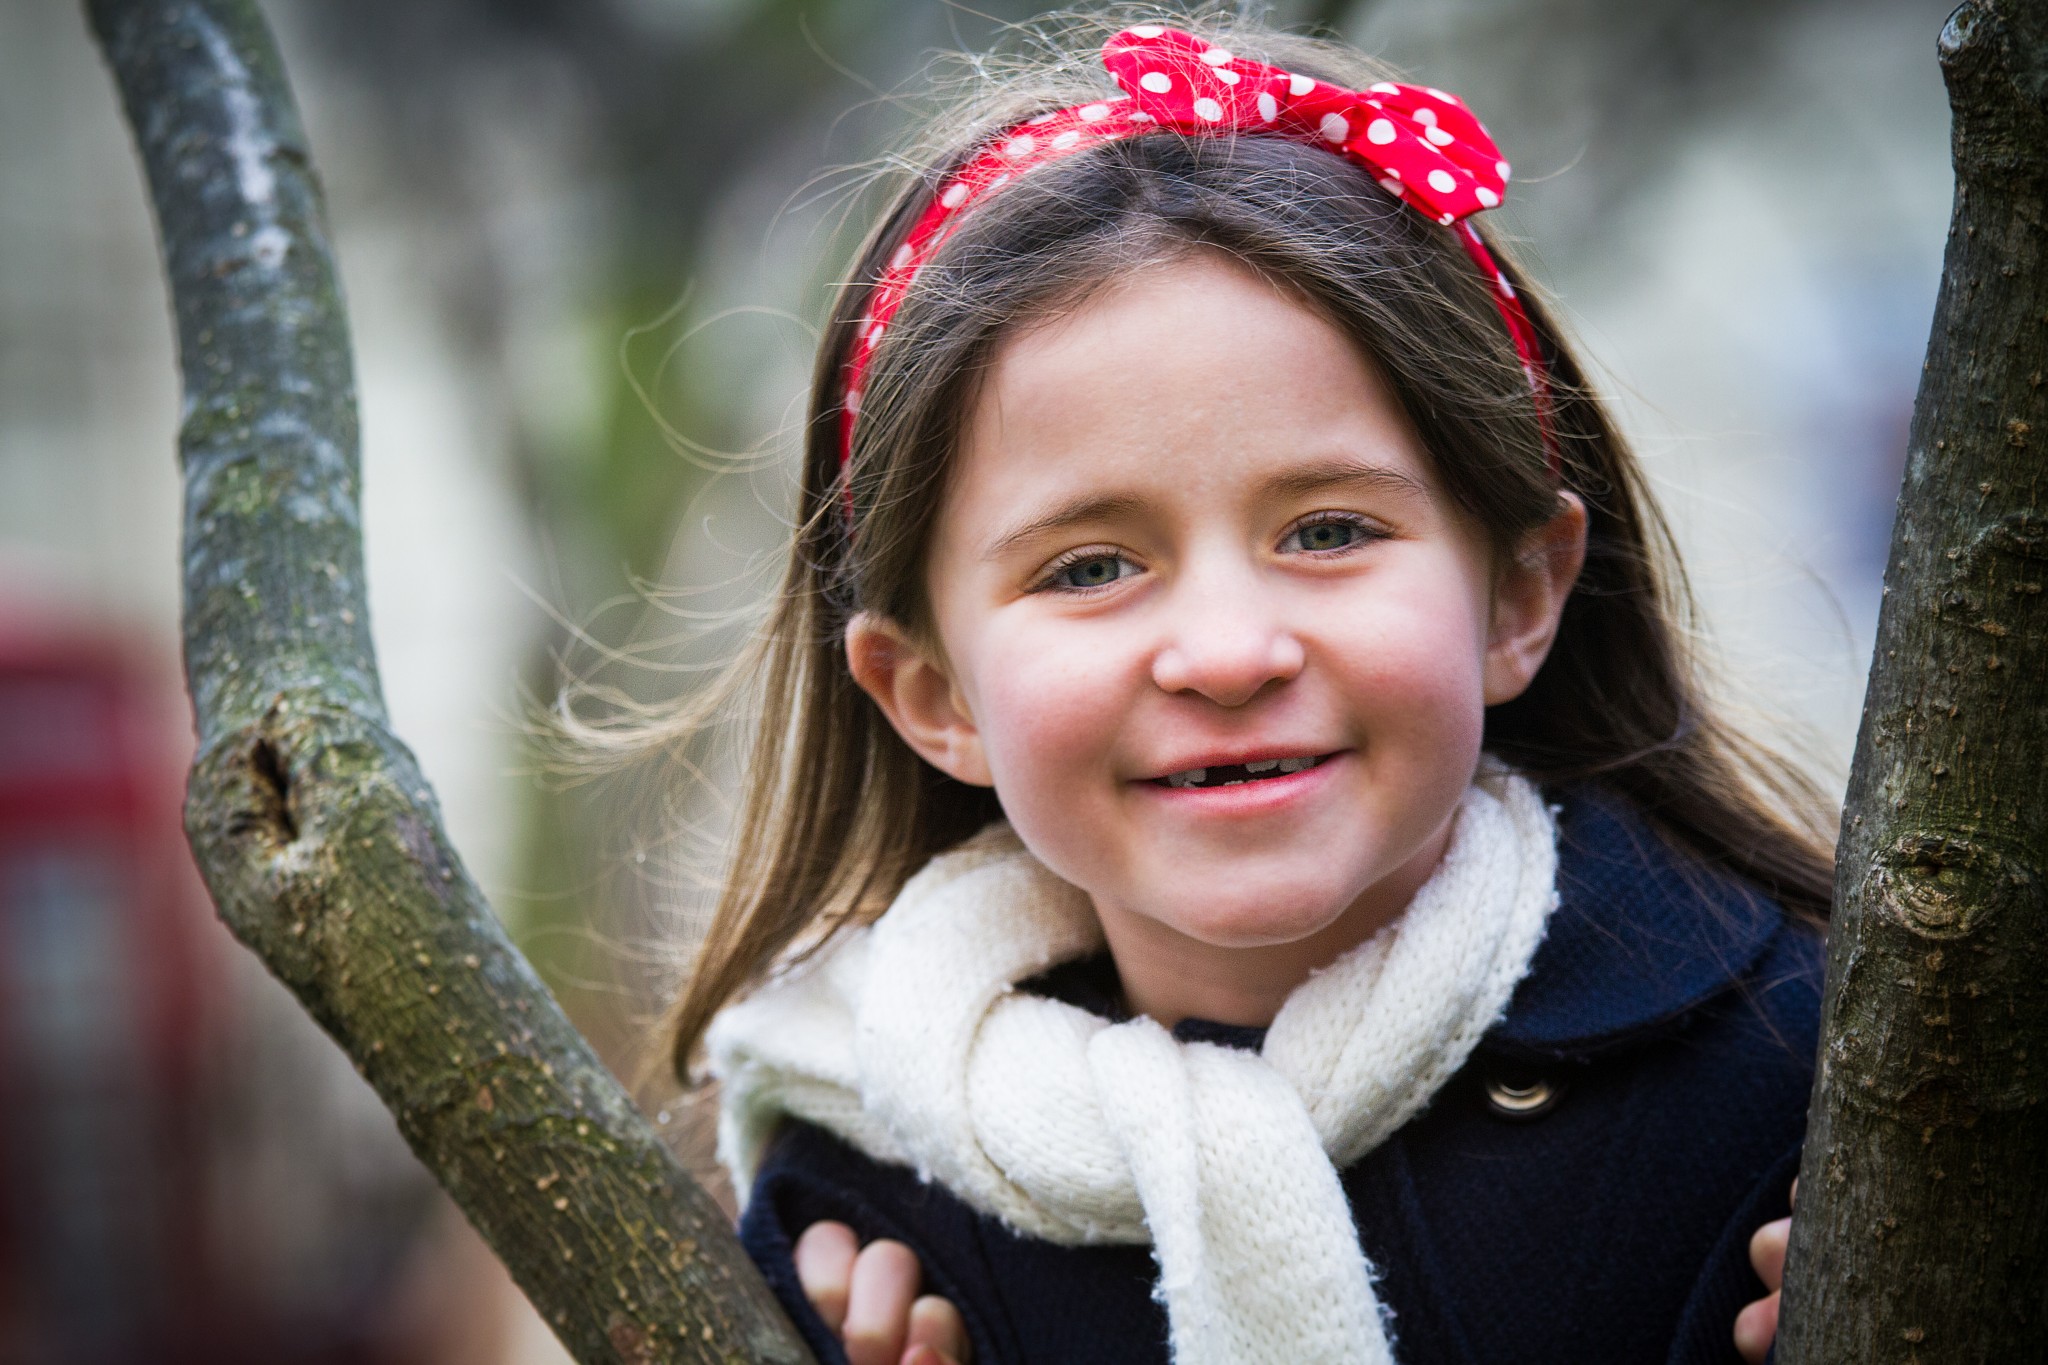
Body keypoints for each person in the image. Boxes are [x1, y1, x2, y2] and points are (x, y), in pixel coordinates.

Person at [650, 14, 1829, 1364]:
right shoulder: (865, 1219)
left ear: (1517, 594)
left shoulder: (1799, 1089)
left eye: (1328, 530)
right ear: (934, 694)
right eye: (1091, 565)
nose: (1224, 651)